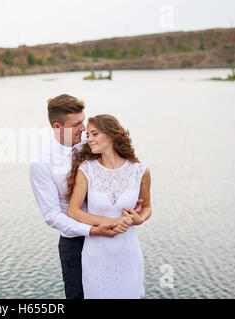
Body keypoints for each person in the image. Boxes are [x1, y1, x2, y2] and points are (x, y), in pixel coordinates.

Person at [29, 94, 143, 299]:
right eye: (76, 125)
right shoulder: (41, 164)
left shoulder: (91, 142)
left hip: (114, 236)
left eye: (83, 121)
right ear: (57, 126)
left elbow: (118, 167)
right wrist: (92, 230)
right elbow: (52, 215)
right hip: (76, 244)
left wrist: (132, 198)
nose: (83, 129)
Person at [66, 114, 152, 299]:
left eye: (95, 134)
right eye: (88, 135)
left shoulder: (140, 171)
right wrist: (112, 222)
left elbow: (147, 207)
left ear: (111, 135)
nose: (89, 139)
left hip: (127, 252)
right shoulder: (86, 169)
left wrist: (140, 219)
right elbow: (73, 211)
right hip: (96, 255)